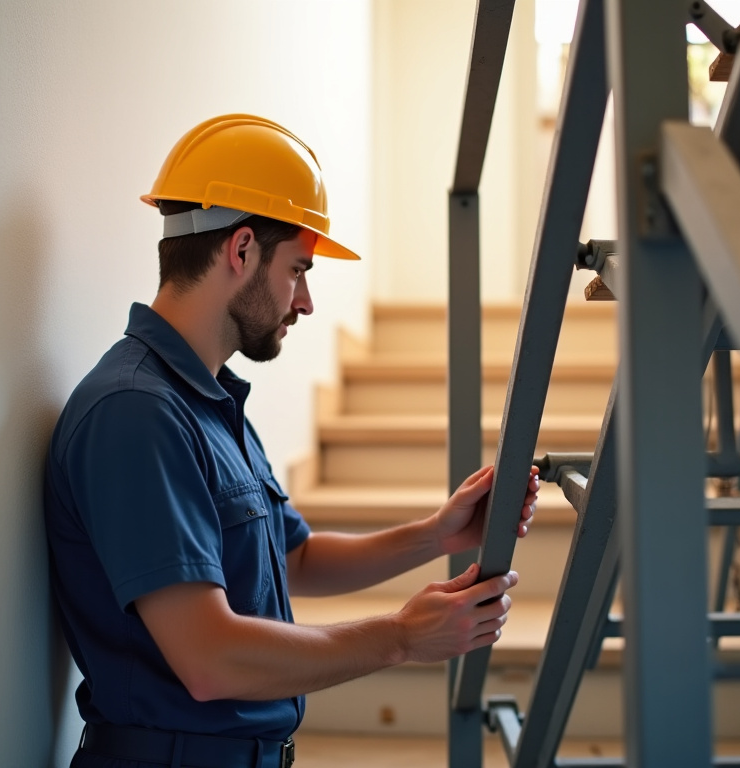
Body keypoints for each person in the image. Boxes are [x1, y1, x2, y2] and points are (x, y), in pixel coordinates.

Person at [44, 114, 538, 768]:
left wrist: (436, 535)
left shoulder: (209, 402)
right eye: (299, 270)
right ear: (241, 250)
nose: (304, 301)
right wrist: (399, 638)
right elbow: (210, 660)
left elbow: (295, 559)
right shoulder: (137, 413)